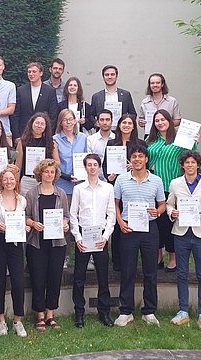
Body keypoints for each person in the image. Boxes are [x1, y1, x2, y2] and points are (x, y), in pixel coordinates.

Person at [113, 144, 166, 327]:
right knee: (128, 270)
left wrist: (157, 212)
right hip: (128, 229)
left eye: (140, 156)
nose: (137, 159)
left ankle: (149, 311)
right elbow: (115, 204)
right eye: (133, 156)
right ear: (130, 160)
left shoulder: (156, 181)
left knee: (150, 271)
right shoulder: (121, 179)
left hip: (150, 229)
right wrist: (120, 223)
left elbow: (162, 204)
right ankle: (125, 311)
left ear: (146, 159)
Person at [167, 151, 201, 331]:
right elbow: (169, 204)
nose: (189, 165)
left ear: (198, 165)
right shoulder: (175, 183)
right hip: (181, 233)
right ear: (182, 165)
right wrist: (171, 213)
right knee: (181, 273)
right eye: (186, 162)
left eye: (193, 162)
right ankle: (183, 311)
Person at [147, 109, 198, 271]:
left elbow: (191, 155)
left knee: (169, 224)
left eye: (163, 119)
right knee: (155, 223)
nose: (160, 122)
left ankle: (173, 256)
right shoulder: (150, 140)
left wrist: (195, 141)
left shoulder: (179, 140)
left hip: (171, 187)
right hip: (154, 187)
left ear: (169, 121)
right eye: (157, 120)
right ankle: (158, 254)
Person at [70, 154, 116, 328]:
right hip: (83, 235)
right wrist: (78, 237)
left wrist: (106, 237)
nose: (92, 167)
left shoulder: (107, 188)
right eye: (89, 165)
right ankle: (79, 313)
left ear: (99, 166)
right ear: (85, 167)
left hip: (100, 237)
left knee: (103, 277)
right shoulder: (79, 189)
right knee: (79, 277)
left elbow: (111, 214)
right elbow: (73, 215)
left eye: (95, 164)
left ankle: (104, 313)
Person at [25, 159, 70, 331]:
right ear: (40, 173)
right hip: (37, 243)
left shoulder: (61, 193)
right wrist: (33, 223)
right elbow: (25, 216)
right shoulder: (31, 194)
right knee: (38, 278)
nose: (49, 175)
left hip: (57, 243)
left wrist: (65, 224)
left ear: (55, 175)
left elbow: (66, 216)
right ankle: (39, 315)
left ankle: (50, 313)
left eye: (52, 172)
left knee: (54, 277)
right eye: (46, 172)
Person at [102, 113, 147, 271]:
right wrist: (110, 175)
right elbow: (105, 165)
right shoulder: (111, 143)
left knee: (132, 220)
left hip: (135, 187)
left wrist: (132, 167)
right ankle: (117, 260)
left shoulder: (140, 143)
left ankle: (133, 257)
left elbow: (144, 164)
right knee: (116, 220)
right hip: (116, 186)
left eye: (129, 123)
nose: (126, 125)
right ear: (119, 125)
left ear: (134, 126)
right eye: (123, 123)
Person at [0, 169, 28, 337]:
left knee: (18, 281)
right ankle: (1, 320)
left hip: (16, 243)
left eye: (11, 179)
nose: (9, 182)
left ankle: (18, 321)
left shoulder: (22, 200)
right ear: (1, 182)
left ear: (16, 181)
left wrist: (25, 227)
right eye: (5, 179)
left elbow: (23, 221)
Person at [12, 62, 59, 141]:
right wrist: (16, 136)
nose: (31, 74)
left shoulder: (50, 91)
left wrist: (48, 134)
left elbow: (53, 115)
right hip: (23, 135)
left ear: (41, 73)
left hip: (43, 135)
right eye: (29, 72)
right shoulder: (21, 90)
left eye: (34, 71)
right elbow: (16, 115)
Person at [15, 113, 60, 196]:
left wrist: (46, 162)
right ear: (32, 123)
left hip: (44, 180)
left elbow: (57, 162)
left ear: (46, 127)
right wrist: (16, 183)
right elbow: (18, 165)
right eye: (37, 123)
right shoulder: (22, 142)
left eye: (42, 124)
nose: (39, 126)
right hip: (27, 180)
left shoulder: (51, 143)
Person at [53, 109, 88, 197]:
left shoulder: (83, 138)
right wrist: (67, 177)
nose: (68, 122)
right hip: (63, 185)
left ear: (75, 121)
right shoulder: (55, 139)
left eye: (71, 119)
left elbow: (87, 159)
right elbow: (54, 164)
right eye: (65, 120)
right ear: (60, 122)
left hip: (81, 185)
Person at [87, 110, 115, 180]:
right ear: (98, 122)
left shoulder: (117, 139)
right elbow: (89, 161)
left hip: (114, 179)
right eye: (102, 120)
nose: (105, 122)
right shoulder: (90, 140)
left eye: (107, 120)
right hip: (96, 179)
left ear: (112, 121)